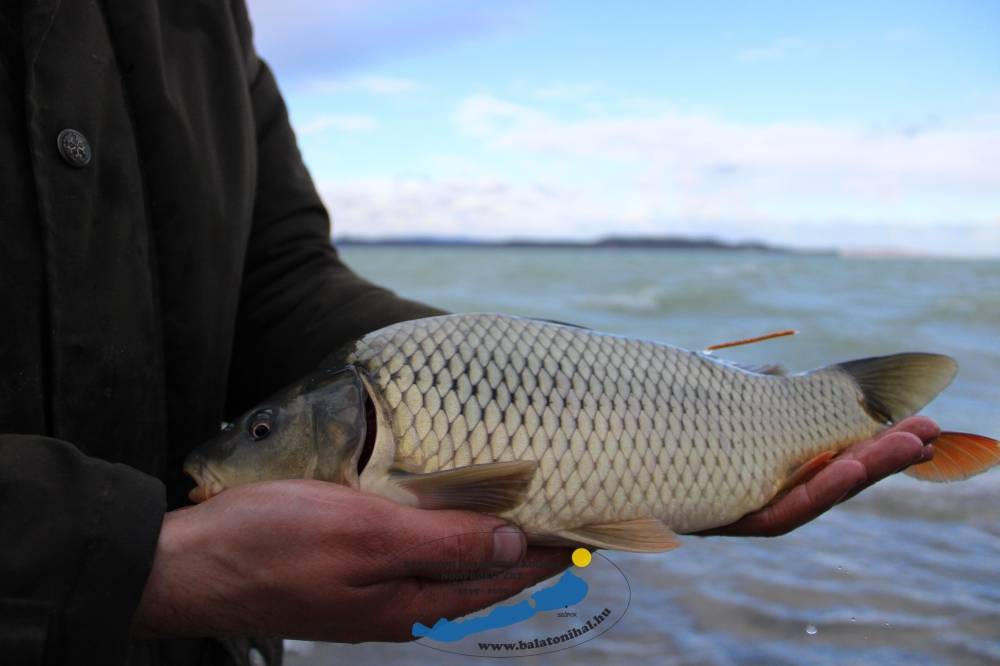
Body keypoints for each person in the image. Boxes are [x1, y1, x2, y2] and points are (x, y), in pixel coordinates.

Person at [0, 2, 940, 665]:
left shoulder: (204, 19)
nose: (229, 456)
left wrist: (580, 384)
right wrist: (130, 563)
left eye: (259, 437)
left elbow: (278, 278)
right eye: (257, 436)